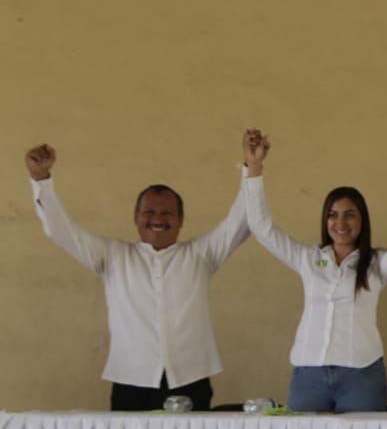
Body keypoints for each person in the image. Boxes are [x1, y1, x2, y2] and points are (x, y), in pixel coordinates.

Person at [25, 140, 250, 411]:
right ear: (136, 217)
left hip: (190, 377)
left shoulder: (201, 255)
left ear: (181, 220)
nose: (158, 218)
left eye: (168, 212)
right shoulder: (113, 256)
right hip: (130, 378)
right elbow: (60, 230)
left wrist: (252, 167)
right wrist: (41, 179)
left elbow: (240, 221)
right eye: (149, 212)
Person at [241, 129, 387, 413]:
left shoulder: (375, 263)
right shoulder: (309, 258)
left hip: (361, 376)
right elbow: (262, 228)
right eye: (333, 215)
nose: (340, 223)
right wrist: (254, 167)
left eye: (350, 214)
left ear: (362, 220)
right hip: (308, 375)